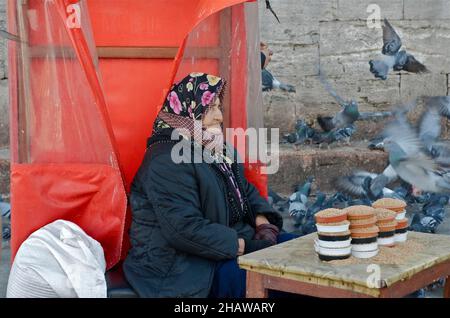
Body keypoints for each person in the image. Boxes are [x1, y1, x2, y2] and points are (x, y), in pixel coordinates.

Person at [123, 73, 296, 298]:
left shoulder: (213, 149)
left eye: (218, 107)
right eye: (209, 108)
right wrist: (249, 247)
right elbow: (184, 229)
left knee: (306, 254)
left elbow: (245, 190)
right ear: (187, 110)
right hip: (185, 268)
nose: (219, 117)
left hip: (226, 247)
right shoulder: (166, 160)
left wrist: (264, 226)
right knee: (287, 279)